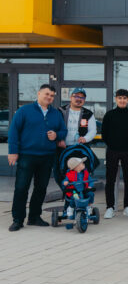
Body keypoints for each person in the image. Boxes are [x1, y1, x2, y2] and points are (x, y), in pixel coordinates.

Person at [8, 84, 67, 231]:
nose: (49, 97)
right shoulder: (24, 111)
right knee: (21, 188)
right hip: (27, 156)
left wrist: (57, 135)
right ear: (39, 93)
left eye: (52, 96)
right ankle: (18, 220)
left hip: (47, 157)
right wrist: (13, 151)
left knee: (41, 188)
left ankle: (34, 217)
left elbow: (63, 130)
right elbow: (14, 131)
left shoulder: (56, 113)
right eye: (47, 94)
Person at [101, 89, 128, 219]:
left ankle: (127, 206)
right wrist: (112, 144)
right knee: (110, 179)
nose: (122, 100)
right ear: (116, 99)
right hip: (112, 150)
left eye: (124, 98)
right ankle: (110, 207)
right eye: (120, 98)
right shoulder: (109, 115)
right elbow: (104, 133)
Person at [55, 87, 97, 183]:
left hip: (79, 149)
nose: (79, 99)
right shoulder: (60, 111)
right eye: (76, 96)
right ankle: (66, 191)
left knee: (81, 175)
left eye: (82, 97)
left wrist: (85, 138)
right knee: (60, 174)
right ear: (71, 97)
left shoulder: (88, 114)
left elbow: (92, 130)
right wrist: (58, 140)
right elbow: (54, 127)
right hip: (62, 148)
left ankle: (78, 191)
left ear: (84, 100)